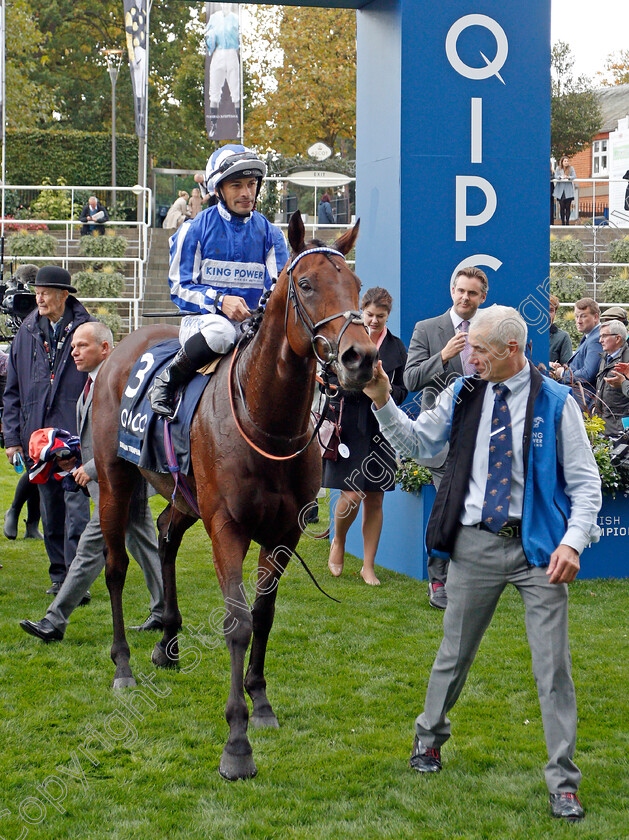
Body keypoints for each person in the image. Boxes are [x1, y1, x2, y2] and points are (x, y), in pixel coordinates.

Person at [365, 304, 601, 823]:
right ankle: (427, 740)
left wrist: (573, 542)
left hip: (539, 550)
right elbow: (422, 445)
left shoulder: (557, 402)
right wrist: (383, 401)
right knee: (454, 653)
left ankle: (563, 782)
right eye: (469, 347)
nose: (468, 356)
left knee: (553, 669)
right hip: (474, 544)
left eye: (478, 350)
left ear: (511, 351)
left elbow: (586, 484)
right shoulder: (463, 391)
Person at [19, 322, 164, 642]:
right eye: (73, 346)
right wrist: (72, 456)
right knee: (143, 543)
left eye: (82, 345)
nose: (74, 351)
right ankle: (164, 609)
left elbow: (130, 438)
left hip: (119, 483)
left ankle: (54, 621)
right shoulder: (91, 385)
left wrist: (92, 467)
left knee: (89, 549)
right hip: (111, 484)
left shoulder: (124, 385)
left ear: (105, 349)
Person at [149, 144, 289, 420]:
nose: (246, 193)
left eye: (251, 184)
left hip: (254, 325)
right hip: (202, 322)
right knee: (222, 333)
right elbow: (179, 288)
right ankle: (167, 381)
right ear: (218, 189)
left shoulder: (272, 234)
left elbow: (279, 287)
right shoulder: (193, 229)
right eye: (236, 185)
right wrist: (220, 301)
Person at [2, 266, 93, 593]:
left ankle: (76, 581)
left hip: (76, 441)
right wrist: (13, 439)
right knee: (52, 515)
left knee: (77, 515)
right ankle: (59, 577)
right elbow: (12, 390)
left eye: (46, 291)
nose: (38, 296)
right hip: (38, 440)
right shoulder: (26, 331)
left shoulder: (88, 330)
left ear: (64, 295)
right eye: (37, 290)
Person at [403, 266, 488, 609]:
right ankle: (438, 581)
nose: (465, 298)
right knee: (447, 507)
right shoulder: (427, 329)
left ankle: (468, 577)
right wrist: (443, 357)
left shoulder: (490, 327)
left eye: (473, 293)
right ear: (452, 291)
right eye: (461, 291)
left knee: (476, 509)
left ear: (483, 297)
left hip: (483, 435)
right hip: (442, 440)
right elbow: (409, 380)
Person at [324, 287, 407, 586]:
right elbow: (330, 382)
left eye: (381, 317)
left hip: (381, 428)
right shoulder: (346, 338)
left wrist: (383, 390)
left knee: (375, 498)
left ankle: (367, 566)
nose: (374, 321)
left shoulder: (396, 348)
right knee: (351, 493)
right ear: (361, 310)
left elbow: (402, 391)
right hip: (347, 425)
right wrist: (362, 385)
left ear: (388, 316)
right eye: (370, 314)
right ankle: (339, 541)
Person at [550, 298, 602, 408]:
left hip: (585, 403)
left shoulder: (595, 339)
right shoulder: (589, 337)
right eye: (577, 316)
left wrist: (562, 373)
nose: (578, 321)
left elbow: (588, 374)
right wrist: (562, 368)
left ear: (596, 317)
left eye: (583, 316)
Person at [205, 3, 241, 138]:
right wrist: (210, 38)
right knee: (214, 90)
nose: (226, 5)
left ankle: (238, 126)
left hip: (232, 53)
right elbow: (206, 35)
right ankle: (213, 125)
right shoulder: (214, 18)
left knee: (235, 89)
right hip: (218, 53)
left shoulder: (236, 19)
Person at [592, 319, 629, 436]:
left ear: (617, 338)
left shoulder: (626, 359)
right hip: (603, 426)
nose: (600, 340)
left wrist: (623, 383)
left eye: (604, 336)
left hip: (619, 430)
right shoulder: (606, 357)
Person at [548, 294, 572, 365]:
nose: (547, 314)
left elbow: (567, 368)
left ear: (555, 313)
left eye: (551, 310)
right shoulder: (527, 334)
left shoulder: (563, 337)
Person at [554, 156, 576, 226]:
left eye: (567, 161)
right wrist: (561, 177)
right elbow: (556, 176)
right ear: (562, 162)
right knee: (562, 207)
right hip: (560, 190)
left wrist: (568, 177)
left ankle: (567, 222)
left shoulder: (571, 168)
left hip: (568, 190)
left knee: (568, 207)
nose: (566, 162)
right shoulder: (558, 168)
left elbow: (574, 176)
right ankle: (563, 222)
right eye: (565, 161)